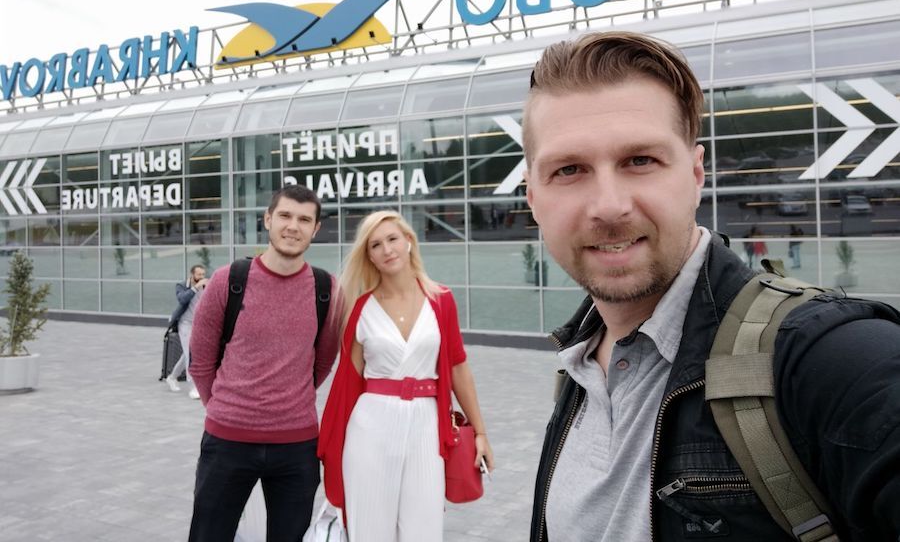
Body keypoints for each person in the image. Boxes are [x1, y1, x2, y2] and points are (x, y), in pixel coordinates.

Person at [523, 31, 900, 541]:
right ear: (533, 197)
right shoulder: (579, 362)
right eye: (569, 169)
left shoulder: (827, 360)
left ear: (696, 174)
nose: (609, 206)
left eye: (640, 160)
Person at [319, 210, 494, 542]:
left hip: (426, 427)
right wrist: (332, 445)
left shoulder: (441, 300)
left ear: (409, 241)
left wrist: (480, 432)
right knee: (370, 532)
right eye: (376, 245)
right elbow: (348, 384)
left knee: (423, 531)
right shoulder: (360, 309)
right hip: (370, 428)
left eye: (392, 239)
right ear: (369, 256)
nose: (387, 249)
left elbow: (458, 368)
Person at [186, 185, 342, 542]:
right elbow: (201, 361)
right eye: (285, 215)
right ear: (268, 219)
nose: (293, 226)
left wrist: (288, 398)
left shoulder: (327, 289)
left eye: (304, 220)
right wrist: (227, 408)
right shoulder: (228, 280)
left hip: (297, 446)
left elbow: (322, 362)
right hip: (227, 441)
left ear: (315, 229)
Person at [164, 264, 207, 399]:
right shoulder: (182, 285)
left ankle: (172, 377)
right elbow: (182, 300)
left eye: (203, 274)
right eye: (199, 274)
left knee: (187, 354)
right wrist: (196, 287)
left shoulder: (205, 286)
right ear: (192, 274)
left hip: (198, 324)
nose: (201, 277)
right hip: (185, 323)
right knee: (190, 354)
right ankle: (193, 387)